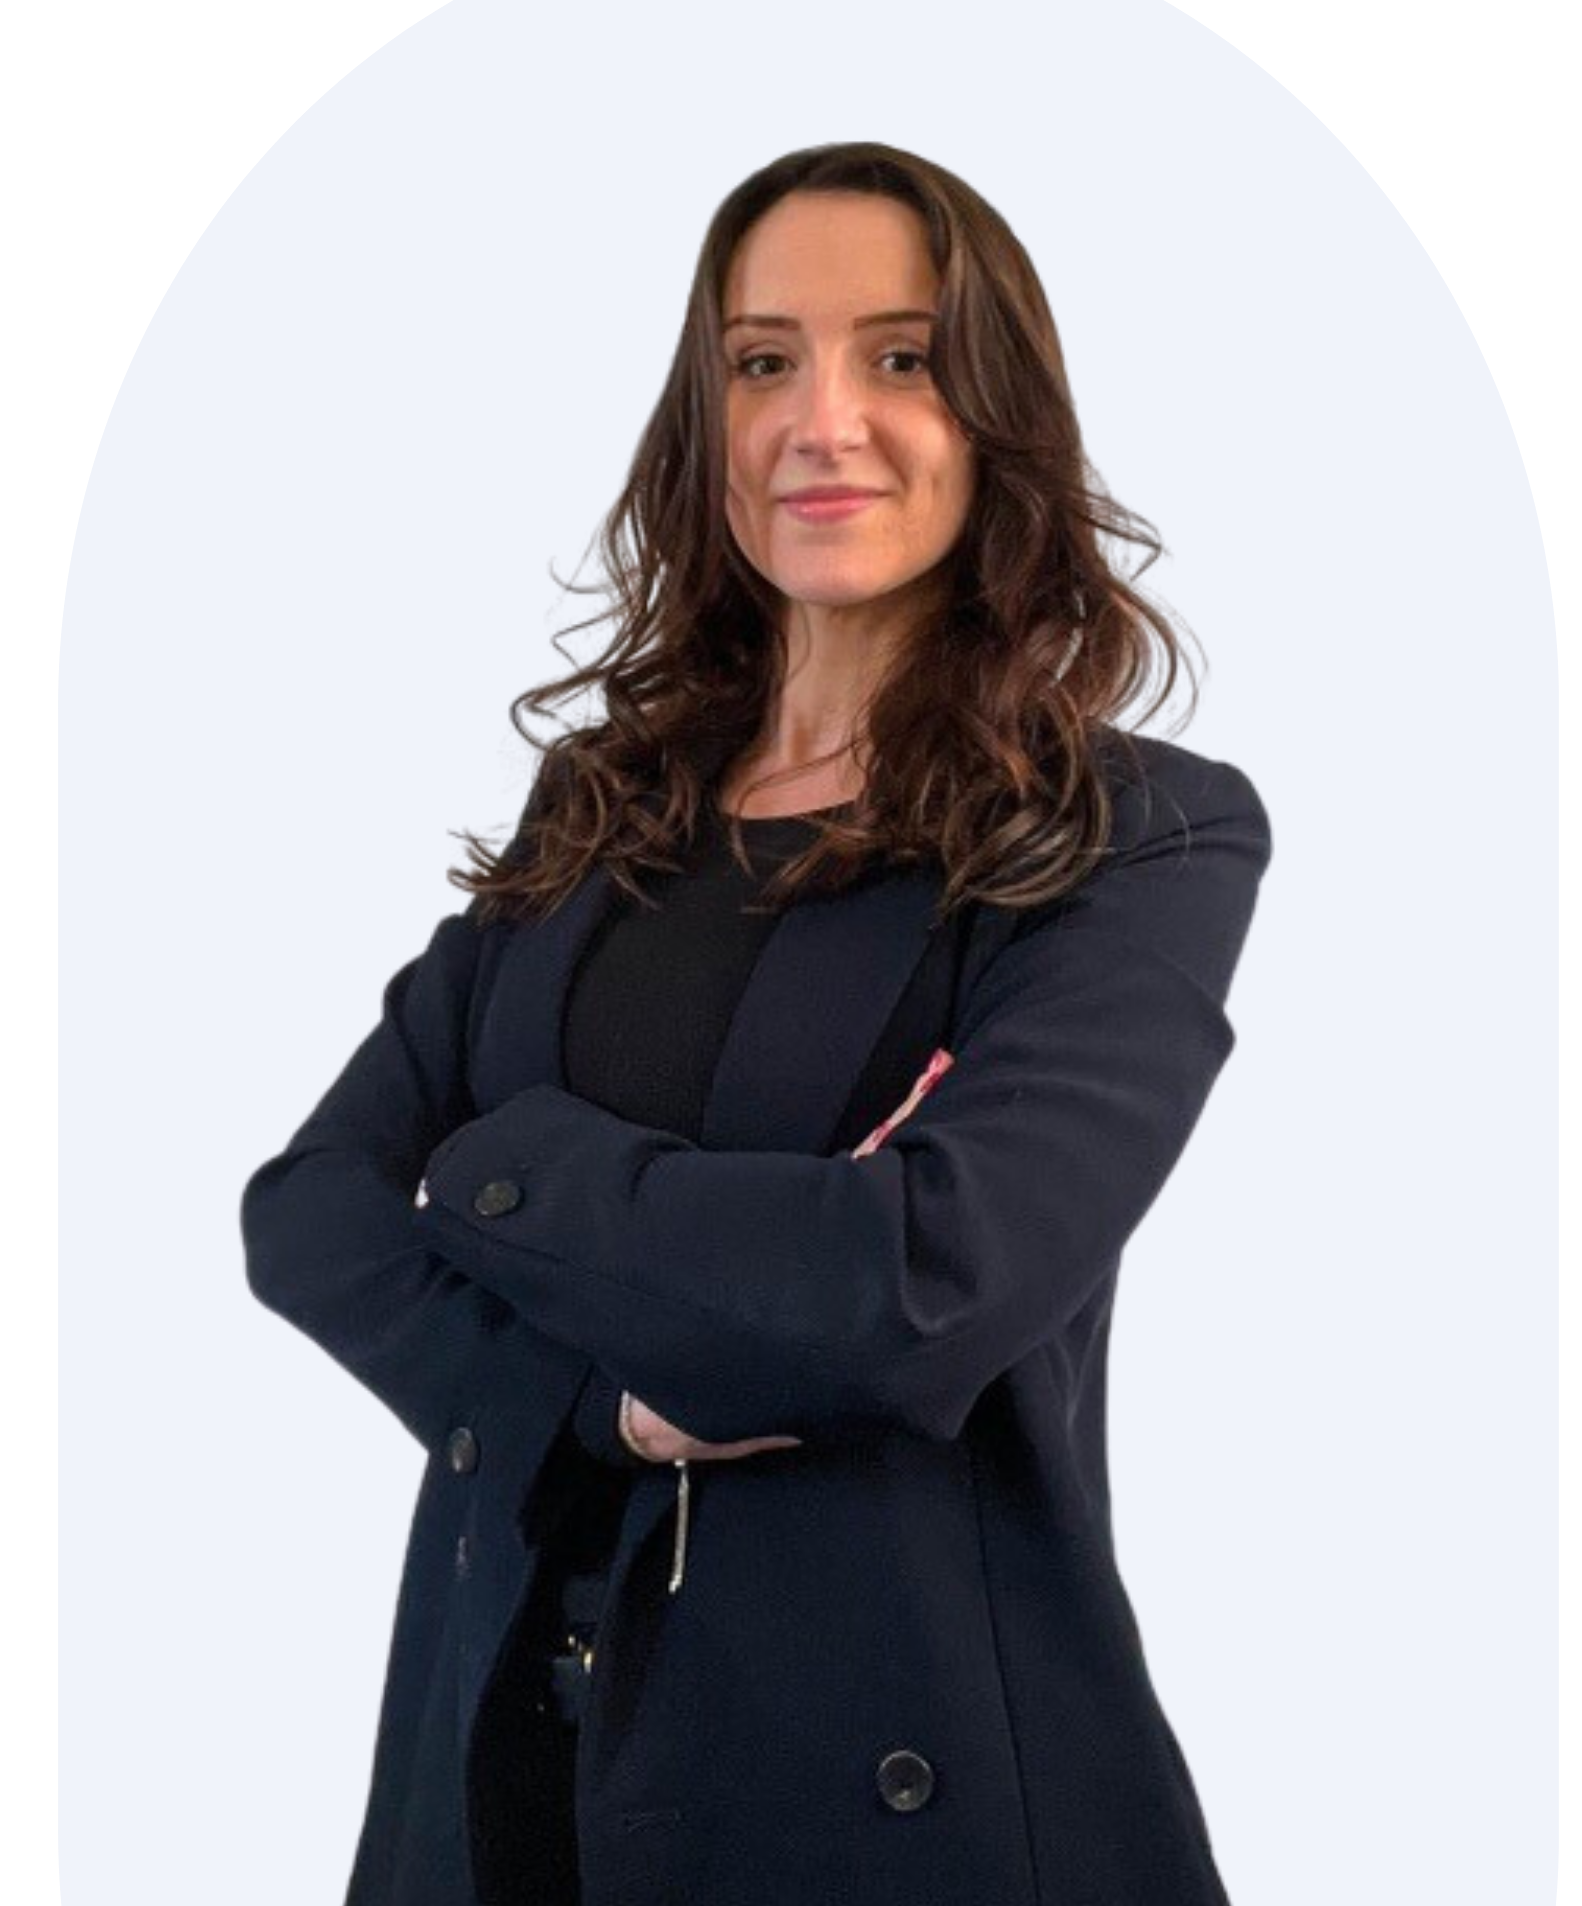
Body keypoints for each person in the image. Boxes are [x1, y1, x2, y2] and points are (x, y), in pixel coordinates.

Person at [240, 140, 1274, 1906]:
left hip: (897, 1797)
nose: (822, 422)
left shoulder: (1135, 836)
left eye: (902, 356)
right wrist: (596, 1406)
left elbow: (917, 1286)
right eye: (762, 359)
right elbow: (313, 1209)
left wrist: (508, 1169)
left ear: (998, 415)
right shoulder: (600, 806)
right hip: (501, 1779)